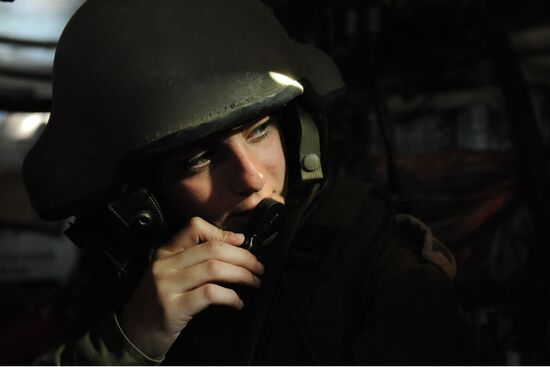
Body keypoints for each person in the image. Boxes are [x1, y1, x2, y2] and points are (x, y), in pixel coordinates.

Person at [23, 0, 478, 364]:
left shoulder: (377, 257)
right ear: (140, 204)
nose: (253, 177)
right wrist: (131, 341)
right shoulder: (124, 283)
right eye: (199, 160)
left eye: (259, 131)